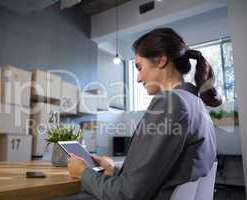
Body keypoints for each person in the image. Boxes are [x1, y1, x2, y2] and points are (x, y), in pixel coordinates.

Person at [58, 27, 222, 200]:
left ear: (160, 60)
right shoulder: (196, 104)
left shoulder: (171, 102)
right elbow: (165, 174)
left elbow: (128, 194)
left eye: (139, 67)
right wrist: (114, 170)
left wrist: (84, 173)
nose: (137, 78)